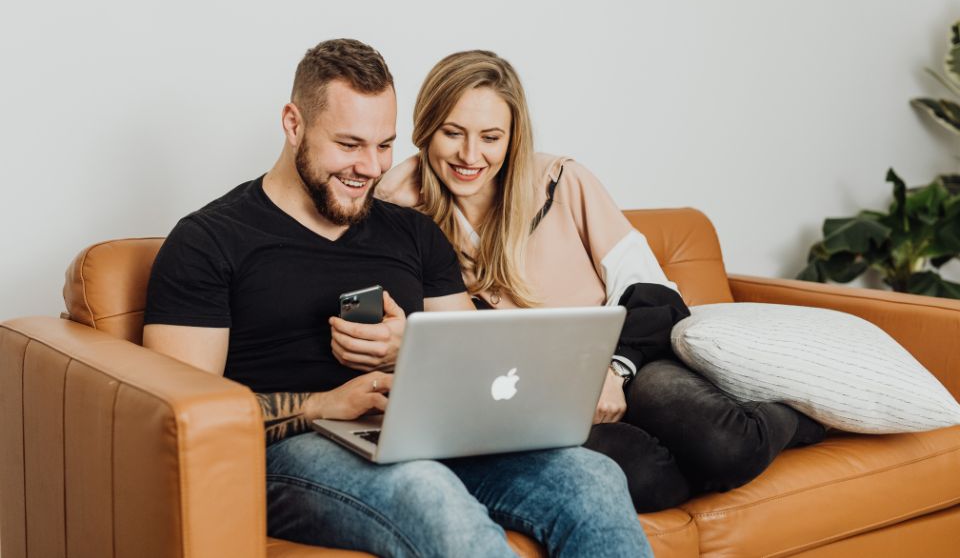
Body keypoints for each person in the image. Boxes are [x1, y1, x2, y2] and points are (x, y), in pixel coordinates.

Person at [142, 39, 652, 558]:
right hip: (288, 452)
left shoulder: (414, 234)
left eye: (384, 145)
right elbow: (177, 415)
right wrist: (324, 405)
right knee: (426, 492)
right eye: (349, 144)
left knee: (592, 478)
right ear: (294, 124)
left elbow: (475, 364)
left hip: (421, 436)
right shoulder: (210, 241)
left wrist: (410, 349)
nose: (369, 167)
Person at [376, 49, 827, 511]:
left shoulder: (561, 181)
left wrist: (612, 370)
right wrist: (390, 191)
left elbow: (653, 293)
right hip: (537, 402)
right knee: (645, 481)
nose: (470, 155)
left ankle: (795, 418)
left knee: (728, 447)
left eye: (491, 137)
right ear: (425, 129)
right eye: (452, 133)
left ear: (513, 139)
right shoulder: (401, 214)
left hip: (628, 363)